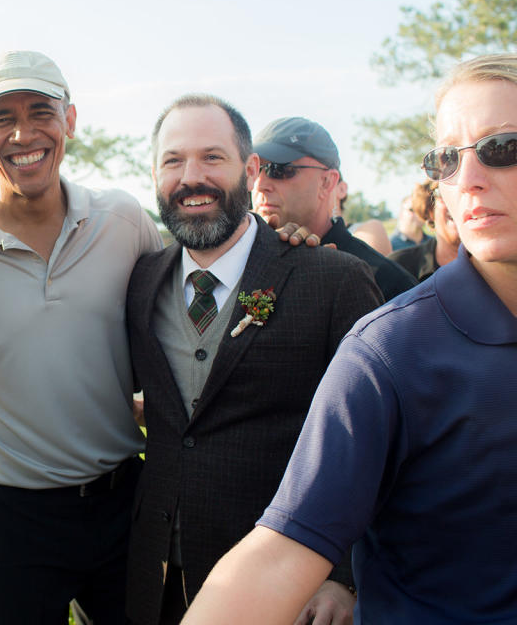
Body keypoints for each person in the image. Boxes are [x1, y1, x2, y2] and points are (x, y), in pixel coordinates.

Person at [183, 53, 517, 625]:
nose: (468, 178)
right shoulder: (391, 350)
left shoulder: (366, 278)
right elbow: (282, 551)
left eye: (501, 148)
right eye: (445, 160)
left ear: (330, 183)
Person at [0, 50, 164, 624]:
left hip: (123, 504)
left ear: (70, 121)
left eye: (40, 112)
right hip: (14, 520)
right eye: (2, 117)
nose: (23, 133)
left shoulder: (125, 221)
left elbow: (183, 324)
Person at [124, 94, 383, 625]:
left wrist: (343, 576)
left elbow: (379, 445)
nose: (191, 177)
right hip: (157, 584)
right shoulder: (140, 281)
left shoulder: (332, 280)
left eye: (212, 158)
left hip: (287, 587)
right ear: (155, 174)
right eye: (173, 161)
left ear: (250, 169)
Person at [252, 116, 418, 300]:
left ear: (326, 182)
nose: (259, 184)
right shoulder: (242, 264)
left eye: (278, 169)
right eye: (253, 169)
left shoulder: (385, 282)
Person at [389, 180, 460, 280]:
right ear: (430, 211)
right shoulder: (397, 267)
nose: (457, 203)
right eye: (444, 194)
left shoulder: (489, 268)